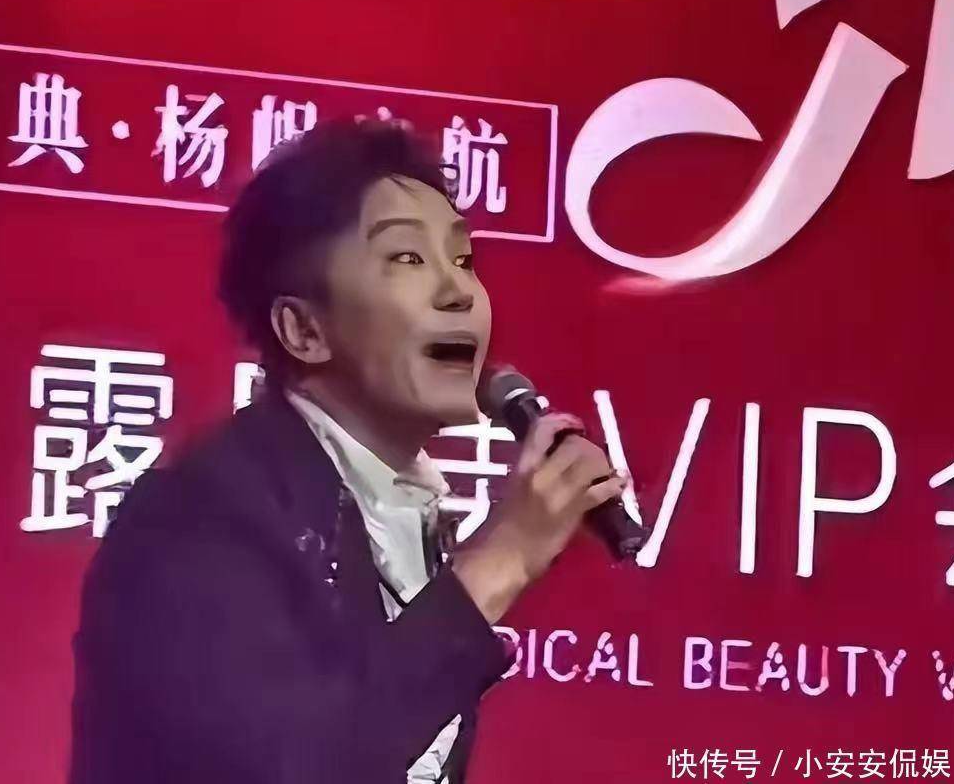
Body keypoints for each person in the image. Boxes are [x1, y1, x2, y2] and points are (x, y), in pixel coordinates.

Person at [68, 117, 625, 784]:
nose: (460, 292)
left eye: (462, 260)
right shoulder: (198, 516)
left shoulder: (399, 514)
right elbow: (294, 764)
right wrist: (502, 557)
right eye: (407, 259)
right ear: (304, 330)